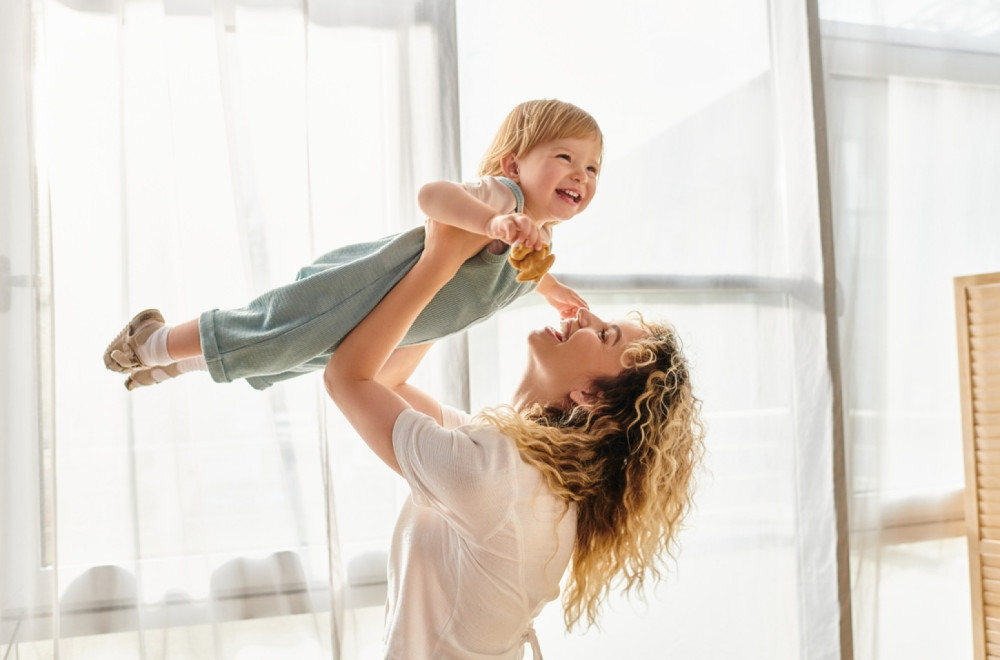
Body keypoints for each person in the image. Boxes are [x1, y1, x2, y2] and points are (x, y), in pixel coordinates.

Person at [326, 219, 705, 659]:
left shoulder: (499, 477)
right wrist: (468, 280)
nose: (584, 314)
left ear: (590, 397)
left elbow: (346, 378)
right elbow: (387, 383)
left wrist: (440, 261)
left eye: (604, 334)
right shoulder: (518, 468)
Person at [102, 99, 602, 390]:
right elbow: (433, 196)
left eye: (593, 168)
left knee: (296, 357)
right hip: (362, 288)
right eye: (565, 157)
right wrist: (494, 222)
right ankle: (152, 341)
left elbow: (522, 270)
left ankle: (179, 362)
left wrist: (553, 291)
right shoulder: (503, 198)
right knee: (277, 330)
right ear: (514, 165)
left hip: (395, 323)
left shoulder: (536, 237)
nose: (581, 175)